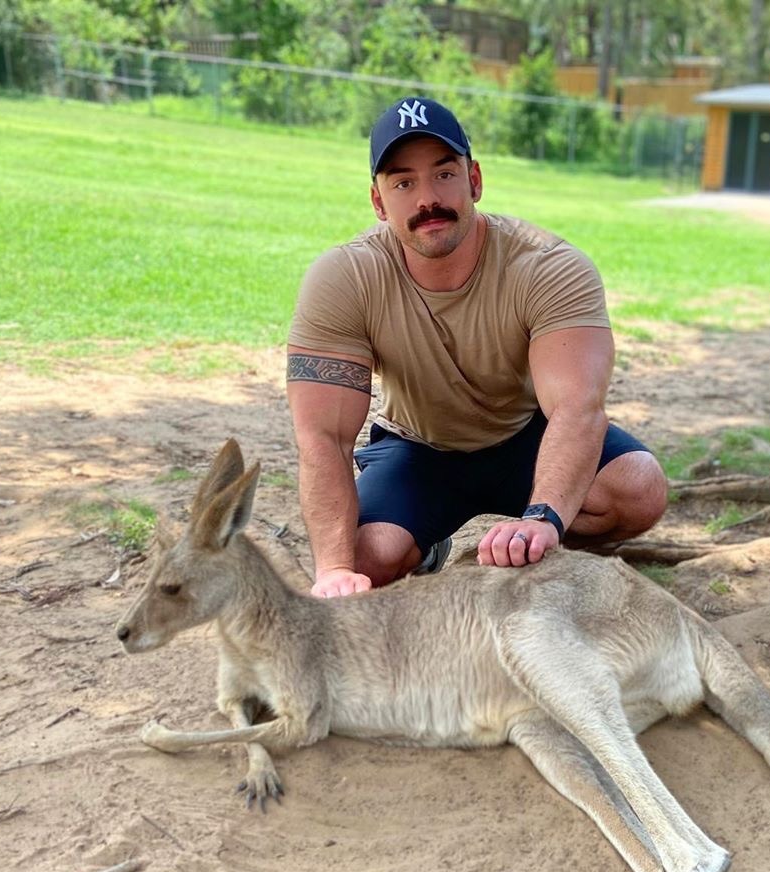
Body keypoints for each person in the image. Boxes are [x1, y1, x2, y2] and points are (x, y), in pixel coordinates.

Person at [286, 96, 667, 599]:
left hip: (524, 438)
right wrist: (334, 570)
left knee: (638, 489)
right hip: (417, 448)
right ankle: (427, 544)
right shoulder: (344, 277)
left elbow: (577, 408)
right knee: (364, 560)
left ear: (475, 180)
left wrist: (543, 519)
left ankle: (534, 550)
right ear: (379, 203)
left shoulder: (548, 265)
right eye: (403, 183)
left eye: (444, 174)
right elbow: (324, 437)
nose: (428, 199)